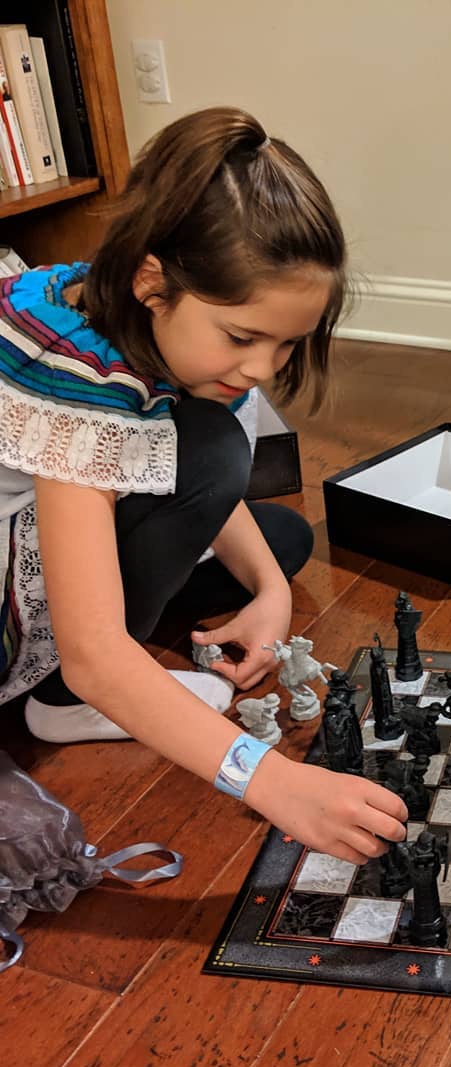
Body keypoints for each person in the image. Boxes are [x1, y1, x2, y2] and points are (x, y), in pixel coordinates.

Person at [0, 106, 407, 864]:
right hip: (21, 603)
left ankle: (144, 647)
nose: (263, 369)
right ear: (153, 281)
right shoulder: (76, 388)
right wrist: (276, 782)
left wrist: (272, 597)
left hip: (41, 525)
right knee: (218, 447)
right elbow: (93, 651)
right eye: (243, 337)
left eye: (286, 343)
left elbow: (185, 461)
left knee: (277, 542)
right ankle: (60, 703)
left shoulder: (108, 297)